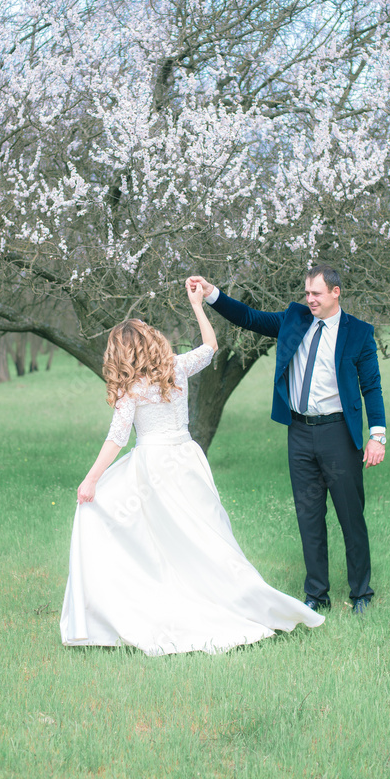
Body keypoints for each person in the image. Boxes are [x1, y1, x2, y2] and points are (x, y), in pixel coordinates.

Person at [59, 279, 325, 655]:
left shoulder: (131, 389)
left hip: (152, 467)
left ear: (120, 354)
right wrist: (198, 305)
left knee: (142, 532)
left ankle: (151, 602)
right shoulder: (177, 369)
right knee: (202, 536)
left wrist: (89, 482)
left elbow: (117, 439)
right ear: (151, 343)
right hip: (187, 459)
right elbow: (211, 347)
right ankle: (226, 595)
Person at [185, 266, 386, 615]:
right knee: (309, 515)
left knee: (350, 516)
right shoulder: (294, 319)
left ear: (336, 293)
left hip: (340, 433)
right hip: (300, 433)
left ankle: (361, 594)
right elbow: (248, 317)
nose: (309, 300)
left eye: (317, 294)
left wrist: (377, 436)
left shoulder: (359, 334)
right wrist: (211, 292)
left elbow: (371, 386)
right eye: (307, 293)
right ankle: (316, 594)